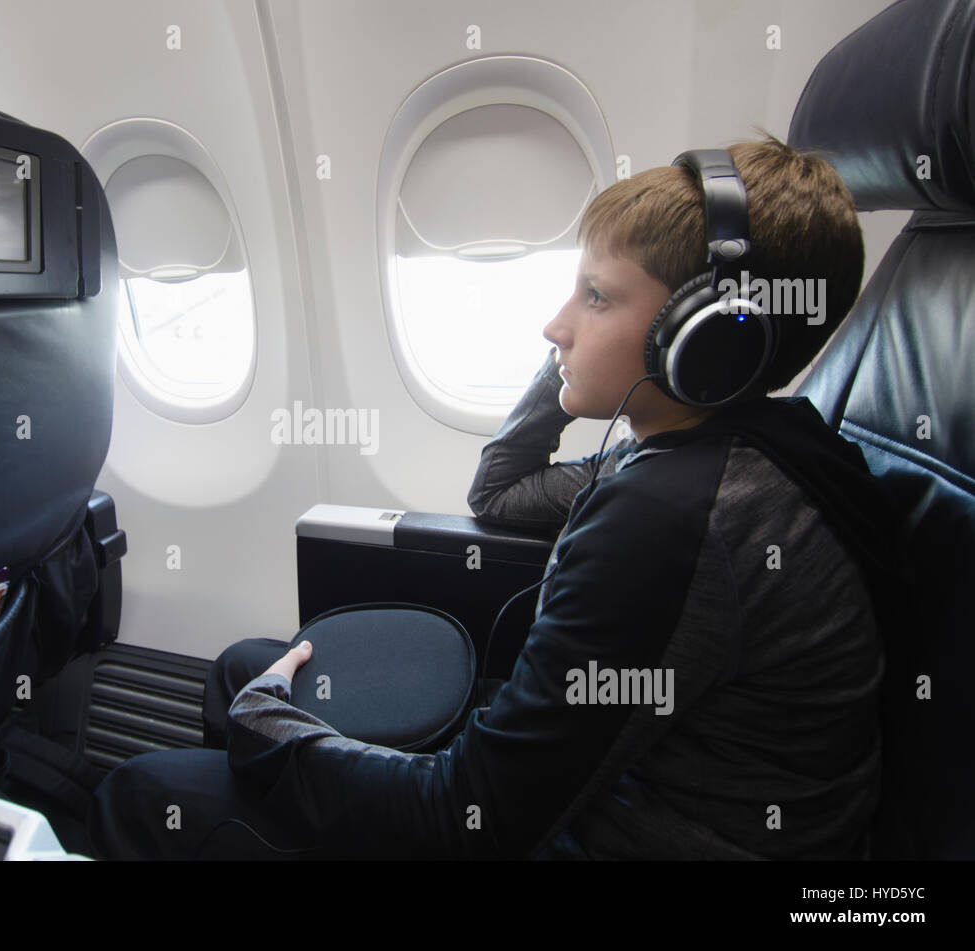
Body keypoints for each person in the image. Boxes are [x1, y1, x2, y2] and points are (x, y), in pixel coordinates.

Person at [89, 133, 900, 859]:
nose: (554, 324)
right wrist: (576, 359)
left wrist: (271, 732)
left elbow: (468, 819)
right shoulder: (729, 451)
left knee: (149, 786)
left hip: (590, 829)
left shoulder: (673, 519)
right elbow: (502, 488)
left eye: (597, 296)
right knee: (241, 671)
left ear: (709, 340)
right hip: (596, 784)